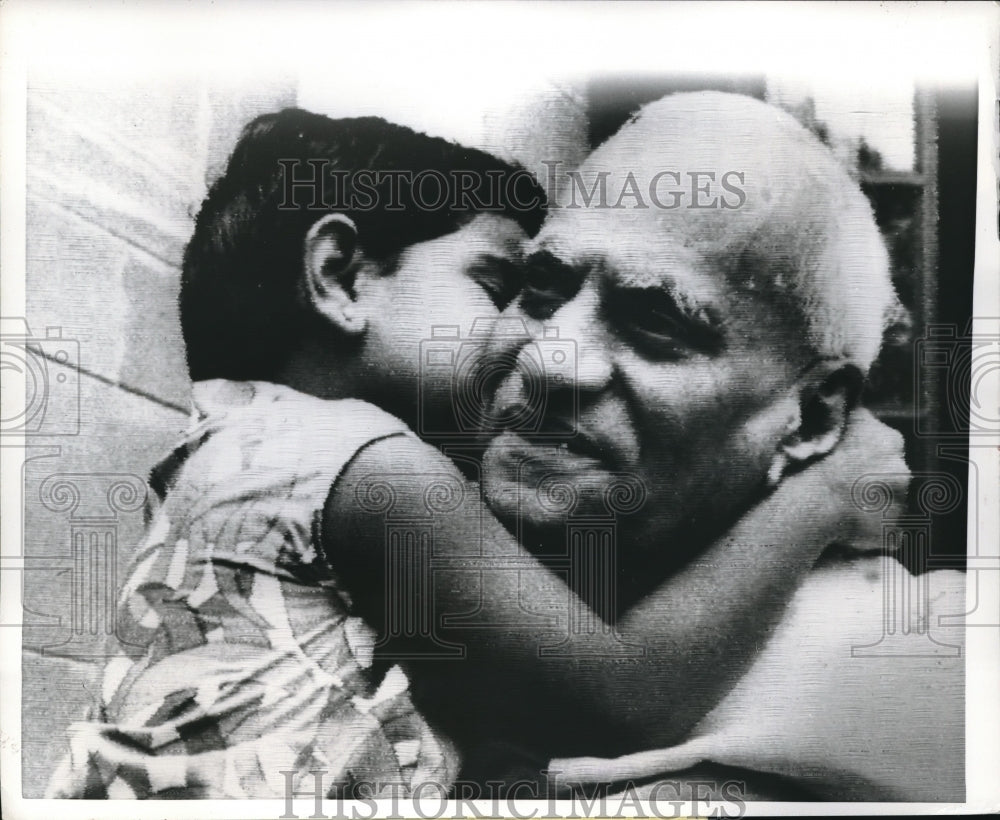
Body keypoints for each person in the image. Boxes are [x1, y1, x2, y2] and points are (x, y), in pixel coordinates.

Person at [48, 101, 884, 801]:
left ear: (809, 415)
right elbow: (618, 698)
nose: (534, 345)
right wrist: (822, 500)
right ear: (340, 277)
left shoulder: (229, 448)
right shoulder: (368, 467)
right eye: (507, 289)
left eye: (652, 323)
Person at [459, 91, 963, 800]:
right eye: (543, 287)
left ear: (814, 418)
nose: (549, 361)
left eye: (656, 320)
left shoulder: (934, 670)